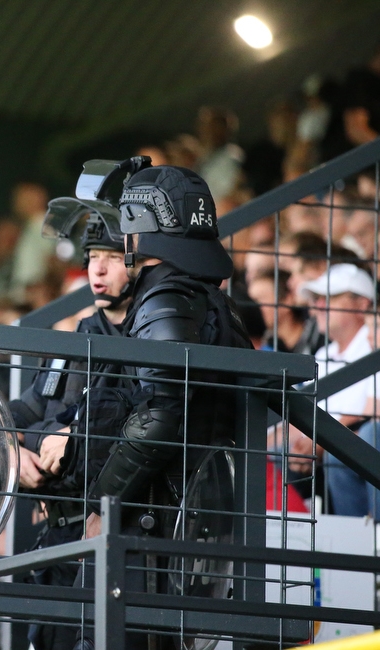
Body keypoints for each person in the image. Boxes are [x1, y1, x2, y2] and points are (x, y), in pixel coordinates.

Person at [66, 164, 252, 650]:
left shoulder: (167, 296)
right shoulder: (209, 300)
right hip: (180, 522)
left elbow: (158, 416)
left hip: (155, 528)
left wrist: (104, 504)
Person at [12, 202, 136, 650]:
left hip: (120, 542)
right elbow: (26, 411)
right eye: (92, 258)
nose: (98, 270)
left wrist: (75, 437)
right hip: (59, 536)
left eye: (115, 257)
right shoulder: (81, 335)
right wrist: (10, 447)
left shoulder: (153, 340)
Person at [289, 264, 380, 516]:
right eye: (317, 299)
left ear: (362, 304)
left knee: (343, 455)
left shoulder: (373, 343)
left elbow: (370, 416)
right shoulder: (323, 353)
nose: (317, 306)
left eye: (329, 298)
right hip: (324, 443)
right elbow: (298, 414)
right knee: (273, 452)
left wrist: (320, 441)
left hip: (343, 444)